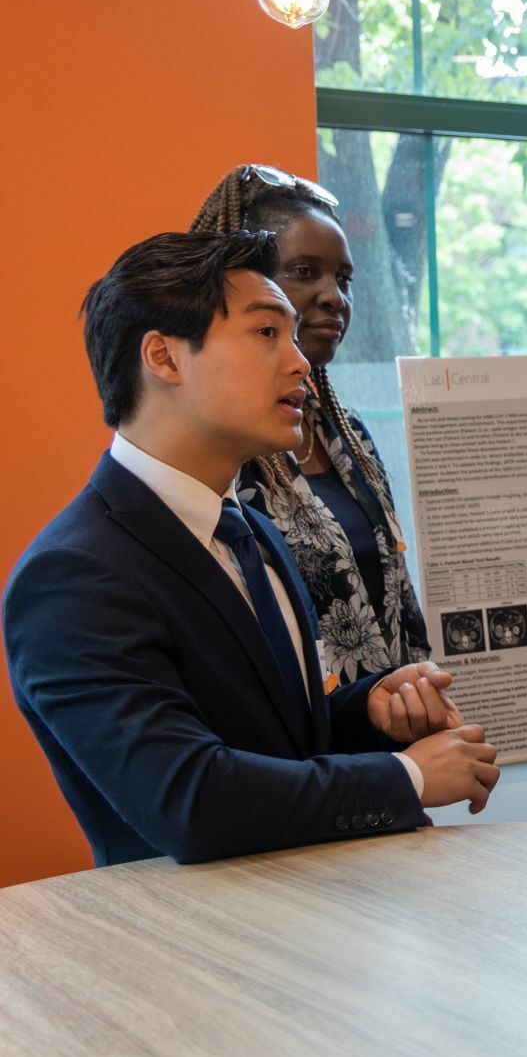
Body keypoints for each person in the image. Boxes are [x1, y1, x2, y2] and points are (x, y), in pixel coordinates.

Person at [4, 231, 500, 867]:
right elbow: (190, 800)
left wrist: (366, 709)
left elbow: (269, 733)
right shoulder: (72, 575)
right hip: (187, 949)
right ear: (163, 356)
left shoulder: (250, 529)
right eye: (267, 332)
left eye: (293, 337)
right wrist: (407, 777)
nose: (299, 362)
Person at [190, 164, 429, 682]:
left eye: (343, 279)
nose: (333, 296)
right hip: (293, 753)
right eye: (304, 272)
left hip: (395, 738)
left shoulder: (347, 433)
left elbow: (398, 604)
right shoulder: (221, 448)